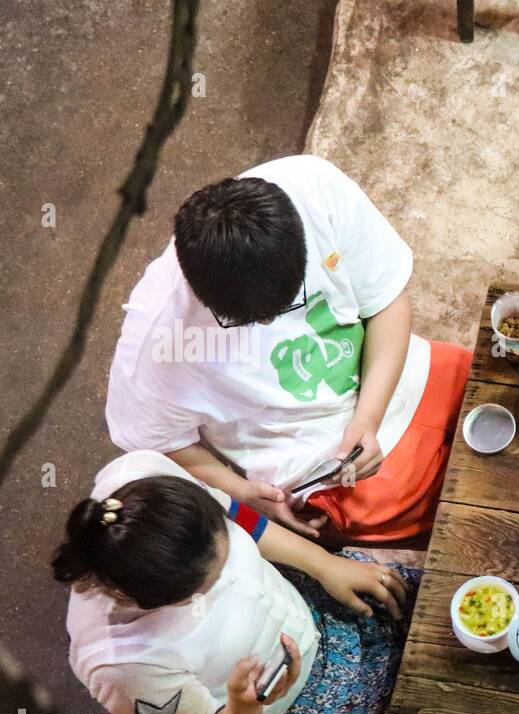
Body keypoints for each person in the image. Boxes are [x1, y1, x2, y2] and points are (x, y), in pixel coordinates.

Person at [105, 154, 472, 543]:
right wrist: (243, 493)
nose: (270, 325)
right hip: (327, 466)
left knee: (494, 390)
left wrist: (367, 418)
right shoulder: (157, 350)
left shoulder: (313, 190)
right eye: (250, 321)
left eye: (290, 306)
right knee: (461, 520)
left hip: (399, 374)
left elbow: (386, 303)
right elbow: (157, 443)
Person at [54, 450, 421, 714]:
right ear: (153, 602)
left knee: (422, 602)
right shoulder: (120, 665)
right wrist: (244, 707)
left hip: (308, 604)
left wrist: (324, 565)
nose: (234, 572)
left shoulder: (145, 480)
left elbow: (237, 515)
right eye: (214, 583)